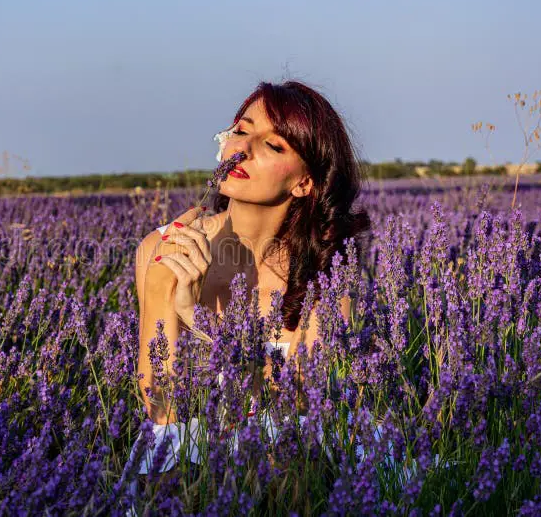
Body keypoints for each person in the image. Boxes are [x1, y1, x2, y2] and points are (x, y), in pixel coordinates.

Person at [128, 80, 372, 484]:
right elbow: (161, 414)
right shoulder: (159, 245)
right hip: (177, 464)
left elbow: (298, 414)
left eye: (273, 146)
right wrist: (160, 288)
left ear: (304, 182)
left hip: (285, 467)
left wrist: (198, 320)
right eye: (241, 130)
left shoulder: (325, 272)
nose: (243, 148)